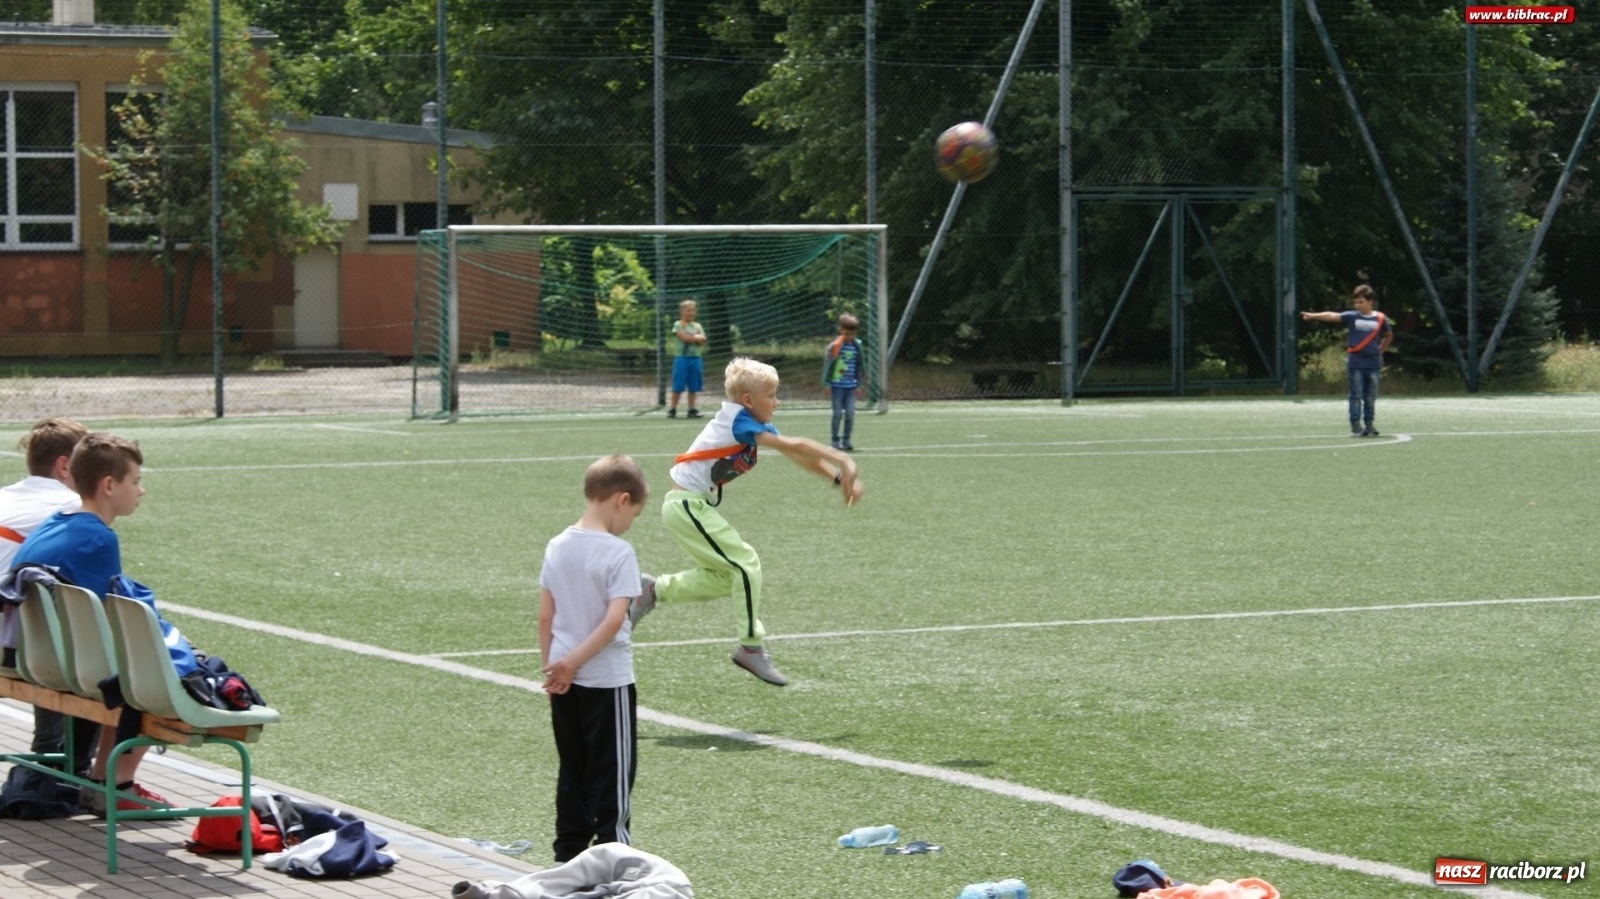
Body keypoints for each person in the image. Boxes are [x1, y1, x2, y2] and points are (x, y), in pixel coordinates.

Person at [631, 356, 863, 687]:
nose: (777, 401)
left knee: (730, 579)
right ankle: (751, 647)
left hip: (692, 507)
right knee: (745, 563)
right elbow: (794, 444)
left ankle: (653, 590)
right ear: (749, 401)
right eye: (771, 395)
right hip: (685, 506)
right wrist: (842, 457)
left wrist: (837, 479)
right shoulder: (740, 422)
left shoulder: (752, 423)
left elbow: (798, 455)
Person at [11, 432, 201, 816]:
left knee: (139, 670)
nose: (141, 491)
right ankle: (116, 784)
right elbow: (112, 618)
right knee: (164, 674)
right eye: (135, 481)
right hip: (77, 669)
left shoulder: (54, 523)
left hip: (42, 659)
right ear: (109, 485)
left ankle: (104, 781)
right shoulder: (98, 539)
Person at [538, 453, 650, 863]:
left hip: (564, 680)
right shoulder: (618, 552)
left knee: (573, 767)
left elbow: (546, 616)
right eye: (633, 514)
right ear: (622, 500)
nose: (629, 524)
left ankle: (567, 853)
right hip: (606, 679)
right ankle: (613, 851)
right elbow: (614, 620)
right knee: (613, 771)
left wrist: (553, 667)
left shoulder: (557, 544)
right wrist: (572, 663)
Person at [0, 417, 98, 780]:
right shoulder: (73, 506)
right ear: (64, 466)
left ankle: (50, 758)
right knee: (105, 652)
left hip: (12, 640)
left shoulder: (4, 495)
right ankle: (85, 774)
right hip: (16, 647)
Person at [1301, 284, 1394, 437]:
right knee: (1355, 396)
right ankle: (1356, 426)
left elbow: (1388, 336)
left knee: (1370, 397)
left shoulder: (1380, 318)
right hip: (1356, 363)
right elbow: (1332, 315)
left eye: (1361, 302)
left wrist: (1380, 351)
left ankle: (1369, 424)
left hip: (1373, 364)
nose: (1358, 305)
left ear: (1370, 301)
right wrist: (1314, 316)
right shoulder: (1352, 316)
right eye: (1356, 302)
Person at [822, 313, 864, 451]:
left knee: (850, 413)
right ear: (840, 330)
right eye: (847, 333)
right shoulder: (834, 346)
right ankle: (835, 441)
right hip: (837, 387)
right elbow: (828, 365)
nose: (849, 337)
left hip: (851, 387)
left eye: (852, 334)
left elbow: (860, 366)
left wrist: (859, 384)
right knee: (837, 414)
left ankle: (846, 440)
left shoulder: (856, 346)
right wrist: (826, 383)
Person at [667, 299, 706, 419]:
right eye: (688, 310)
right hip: (682, 358)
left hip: (695, 358)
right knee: (678, 385)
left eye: (693, 310)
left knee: (694, 385)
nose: (691, 313)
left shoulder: (697, 325)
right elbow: (684, 338)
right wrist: (696, 337)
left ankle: (691, 409)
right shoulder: (678, 324)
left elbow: (703, 340)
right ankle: (673, 408)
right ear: (682, 311)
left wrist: (696, 338)